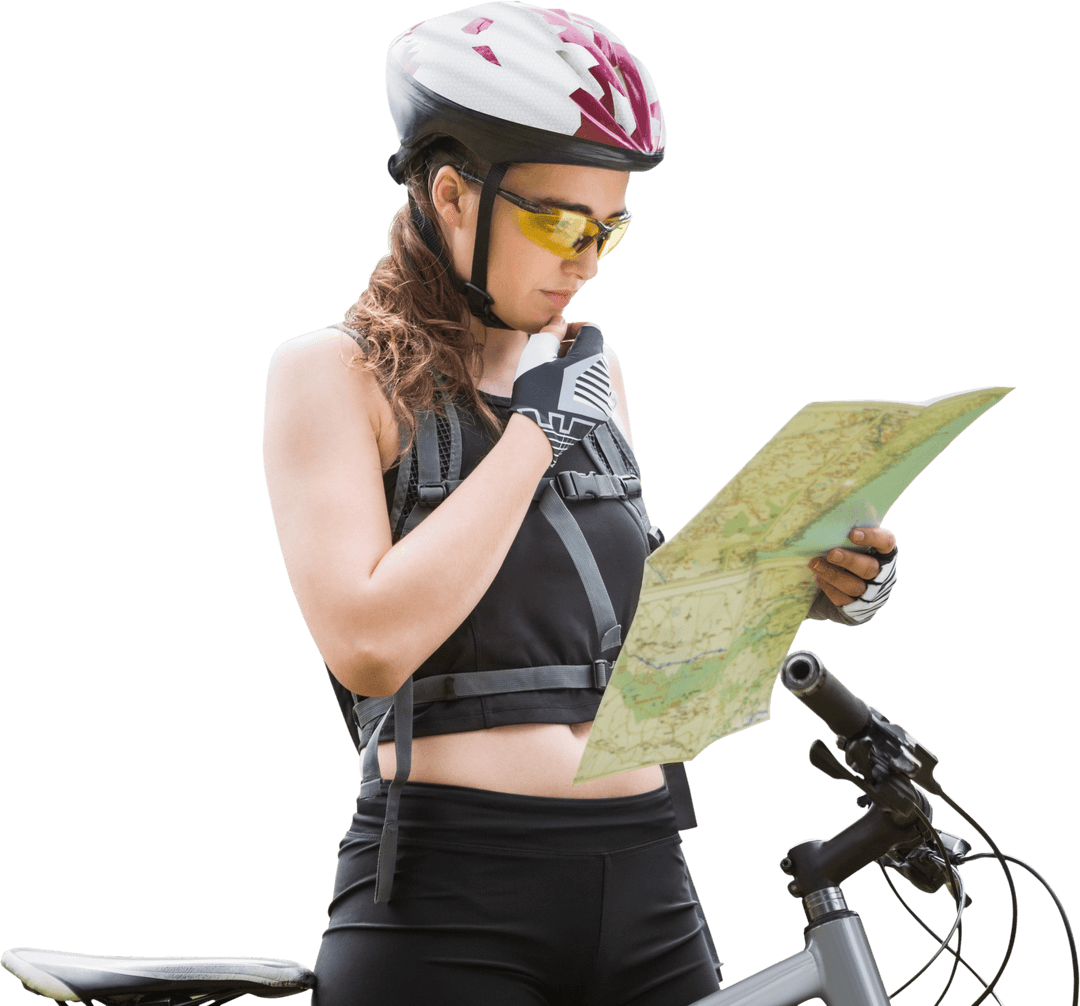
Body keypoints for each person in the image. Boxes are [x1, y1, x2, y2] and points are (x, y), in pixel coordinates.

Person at [262, 4, 899, 1004]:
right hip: (446, 897)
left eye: (610, 228)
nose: (588, 259)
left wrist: (804, 579)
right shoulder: (328, 375)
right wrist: (535, 433)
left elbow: (625, 633)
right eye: (560, 221)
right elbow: (367, 642)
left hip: (647, 876)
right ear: (453, 196)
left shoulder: (589, 374)